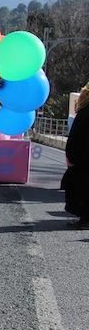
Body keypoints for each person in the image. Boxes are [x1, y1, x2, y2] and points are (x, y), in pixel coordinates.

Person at [63, 83, 89, 229]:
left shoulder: (84, 112)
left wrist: (71, 156)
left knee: (81, 189)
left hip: (83, 160)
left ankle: (85, 219)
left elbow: (75, 137)